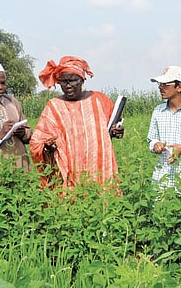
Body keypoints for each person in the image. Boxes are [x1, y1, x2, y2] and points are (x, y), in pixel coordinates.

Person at [29, 56, 124, 189]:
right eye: (63, 81)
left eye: (73, 81)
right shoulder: (53, 107)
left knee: (101, 200)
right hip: (70, 168)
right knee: (72, 204)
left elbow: (113, 127)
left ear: (82, 80)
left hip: (99, 165)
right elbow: (37, 141)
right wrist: (48, 146)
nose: (68, 86)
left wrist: (117, 131)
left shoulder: (100, 100)